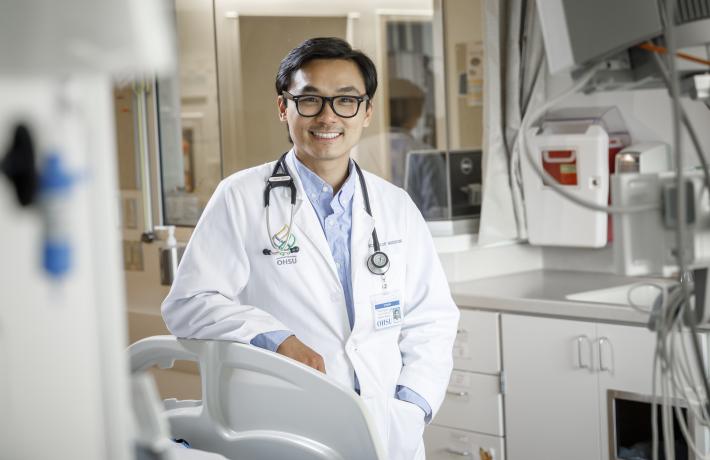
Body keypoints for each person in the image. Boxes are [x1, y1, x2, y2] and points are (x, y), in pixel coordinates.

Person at [161, 37, 459, 460]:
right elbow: (188, 303)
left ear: (367, 112)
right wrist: (277, 338)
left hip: (389, 428)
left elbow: (432, 319)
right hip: (285, 426)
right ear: (284, 108)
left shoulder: (395, 206)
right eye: (310, 100)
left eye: (346, 101)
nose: (328, 116)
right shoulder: (241, 197)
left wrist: (413, 405)